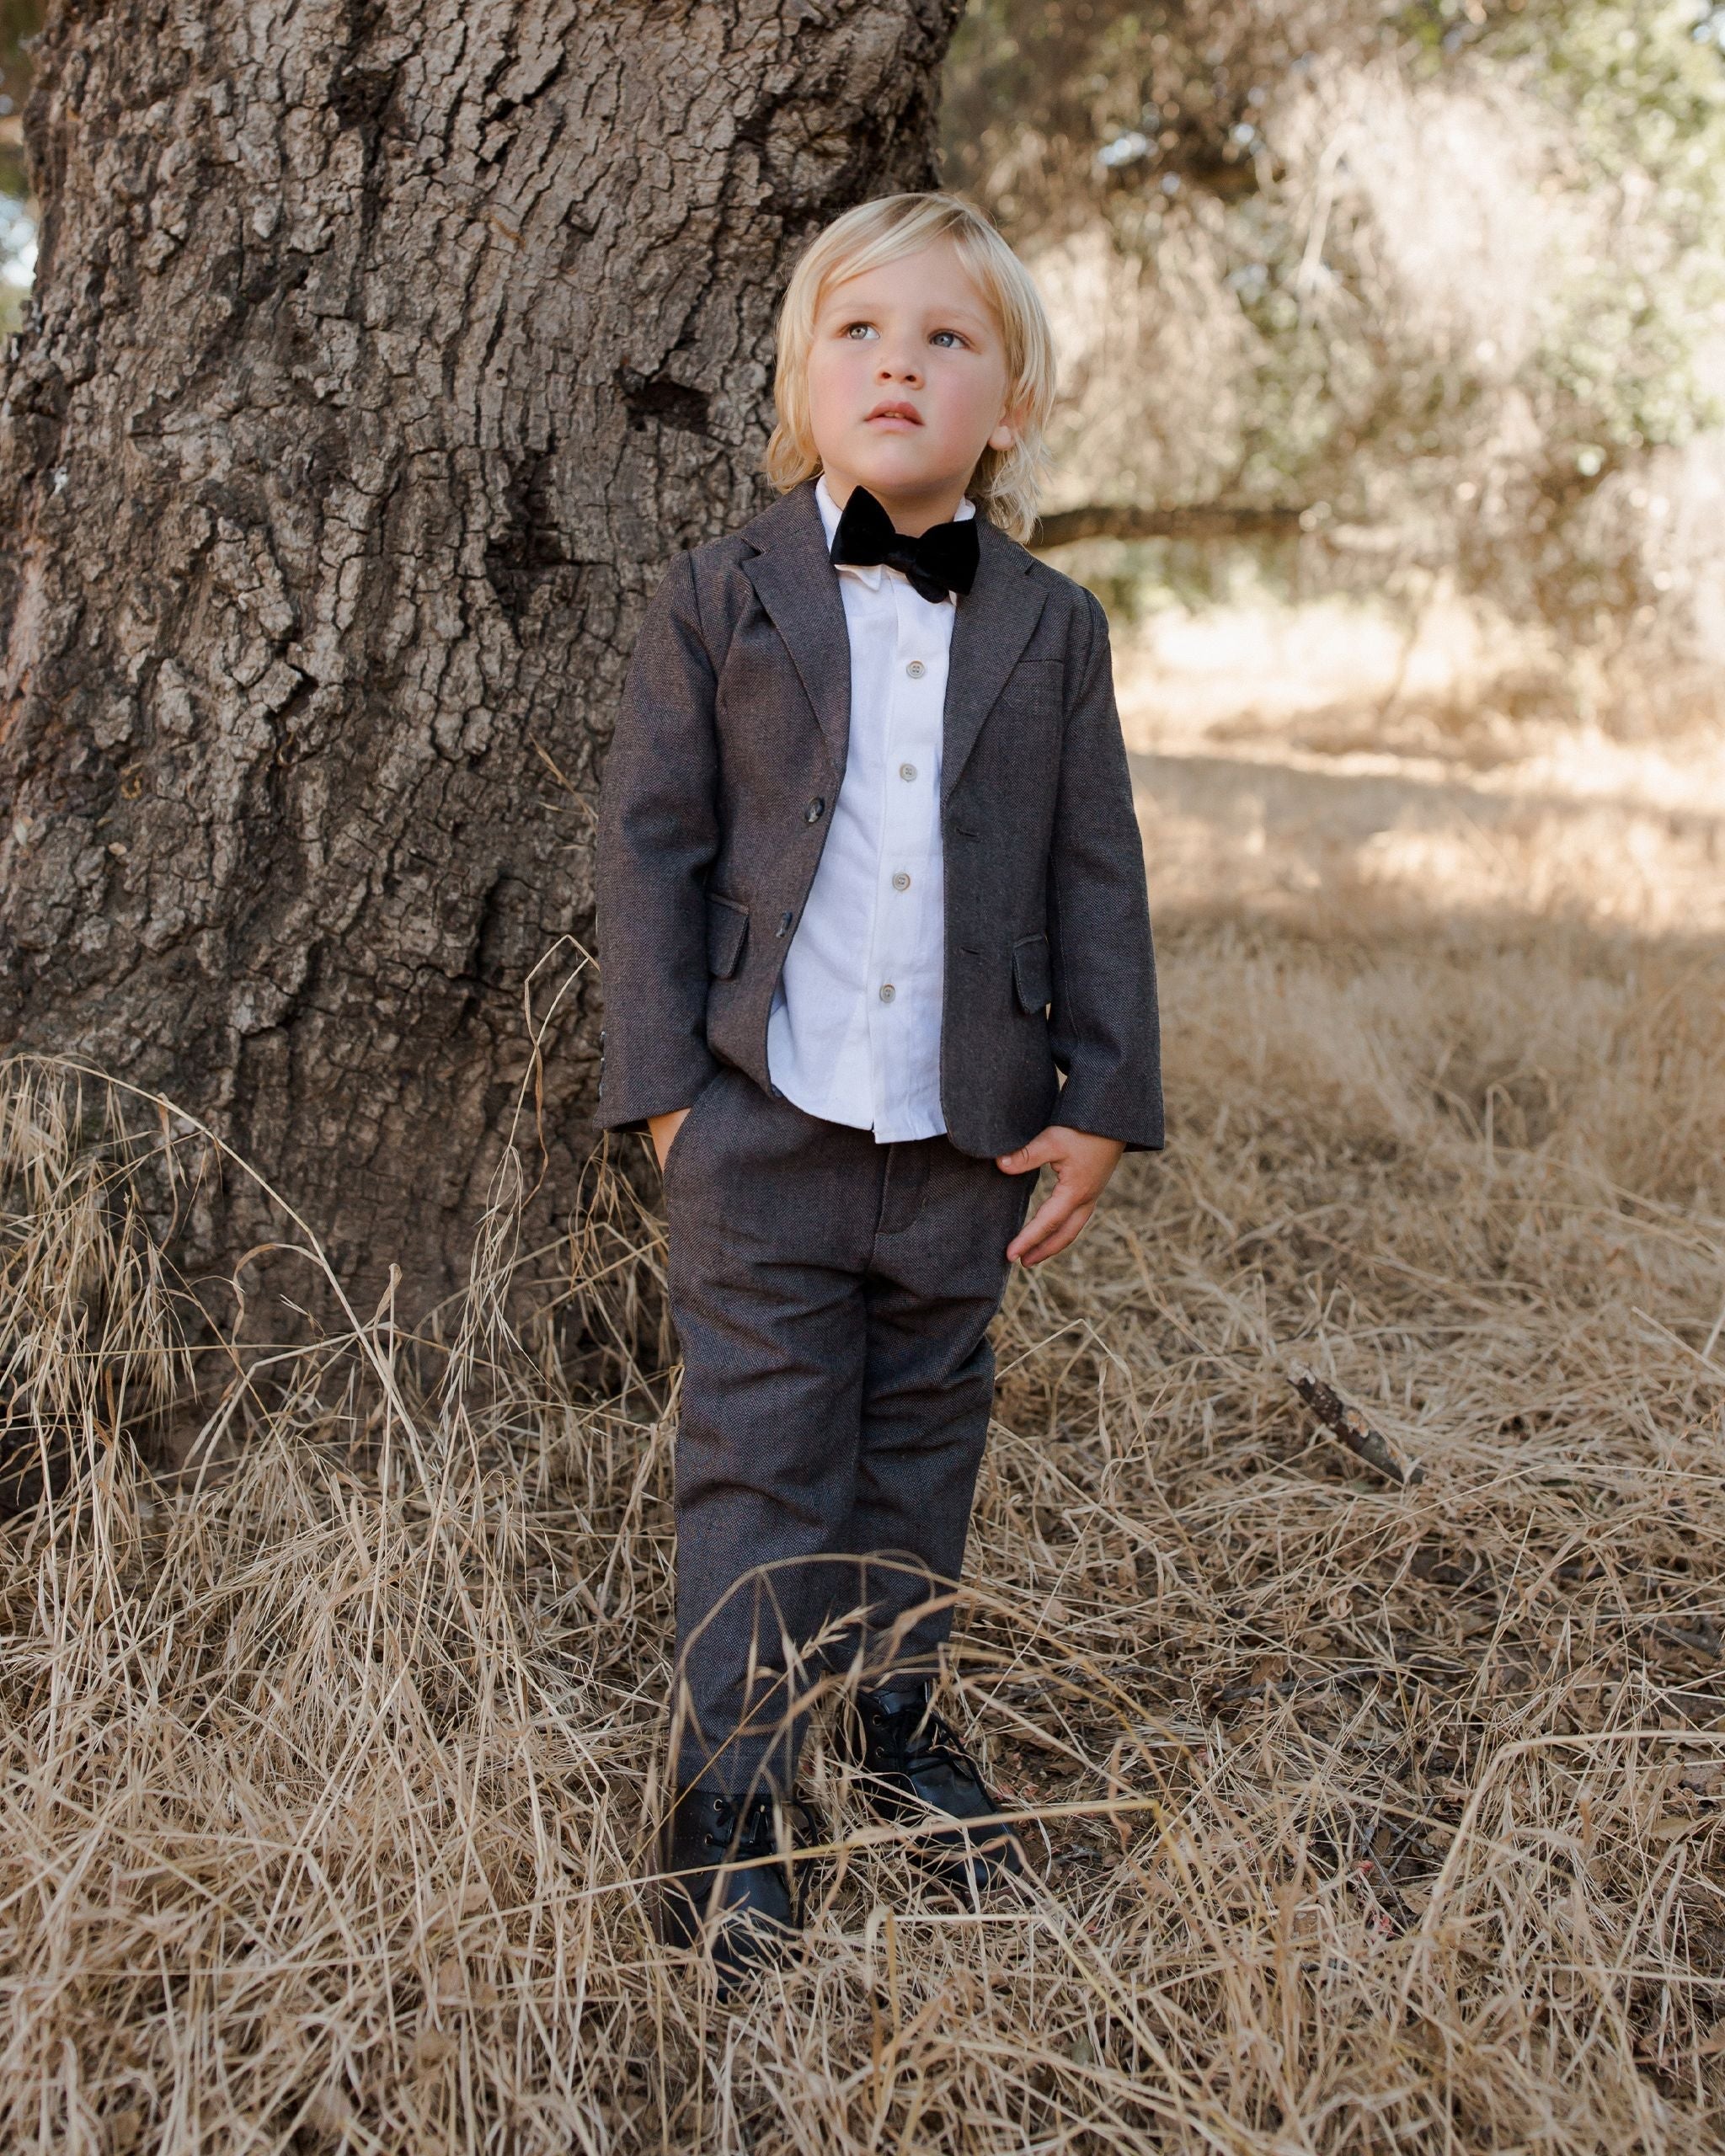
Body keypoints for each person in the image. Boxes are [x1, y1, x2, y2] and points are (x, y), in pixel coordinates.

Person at [595, 190, 1162, 1990]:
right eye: (860, 331)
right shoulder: (721, 594)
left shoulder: (1053, 628)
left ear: (1012, 402)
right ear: (800, 381)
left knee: (925, 1435)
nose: (898, 364)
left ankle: (889, 1712)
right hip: (759, 1118)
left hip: (966, 1127)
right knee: (758, 1454)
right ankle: (734, 1794)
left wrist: (1103, 1097)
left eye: (945, 338)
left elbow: (1096, 868)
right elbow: (650, 850)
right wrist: (669, 1097)